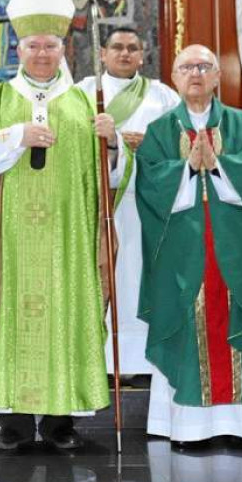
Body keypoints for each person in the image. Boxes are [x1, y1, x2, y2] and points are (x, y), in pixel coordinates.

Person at [0, 0, 117, 450]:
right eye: (33, 46)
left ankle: (60, 422)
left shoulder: (86, 101)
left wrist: (111, 145)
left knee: (69, 313)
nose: (42, 53)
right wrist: (13, 137)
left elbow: (109, 181)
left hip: (69, 238)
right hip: (9, 240)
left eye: (51, 45)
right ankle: (11, 422)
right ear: (18, 50)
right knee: (7, 315)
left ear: (63, 49)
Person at [136, 44, 242, 448]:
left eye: (205, 66)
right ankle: (189, 427)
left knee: (236, 316)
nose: (196, 73)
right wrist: (185, 168)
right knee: (188, 321)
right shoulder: (160, 131)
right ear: (174, 78)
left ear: (219, 76)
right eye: (186, 67)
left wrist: (218, 166)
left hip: (233, 244)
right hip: (183, 250)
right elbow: (148, 186)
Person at [75, 27, 179, 385]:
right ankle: (97, 359)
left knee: (137, 279)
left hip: (144, 205)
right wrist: (115, 143)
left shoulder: (162, 96)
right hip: (95, 203)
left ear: (143, 55)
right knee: (97, 277)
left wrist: (146, 143)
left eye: (132, 48)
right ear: (102, 53)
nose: (124, 53)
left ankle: (140, 362)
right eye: (117, 47)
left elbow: (180, 144)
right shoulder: (83, 93)